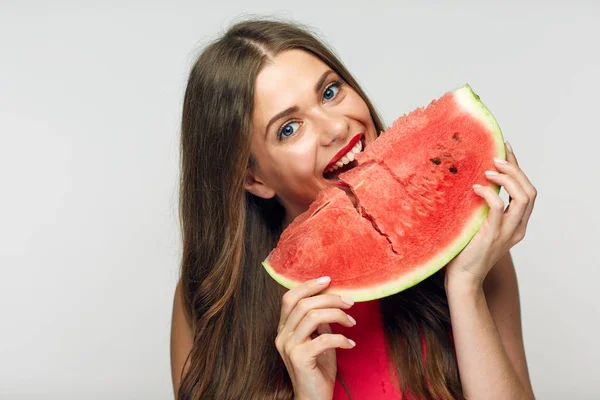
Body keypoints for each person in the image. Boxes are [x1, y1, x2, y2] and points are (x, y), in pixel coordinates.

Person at [170, 17, 537, 400]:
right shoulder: (209, 299)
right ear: (254, 180)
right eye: (289, 128)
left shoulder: (473, 251)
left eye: (329, 91)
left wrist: (465, 287)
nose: (335, 128)